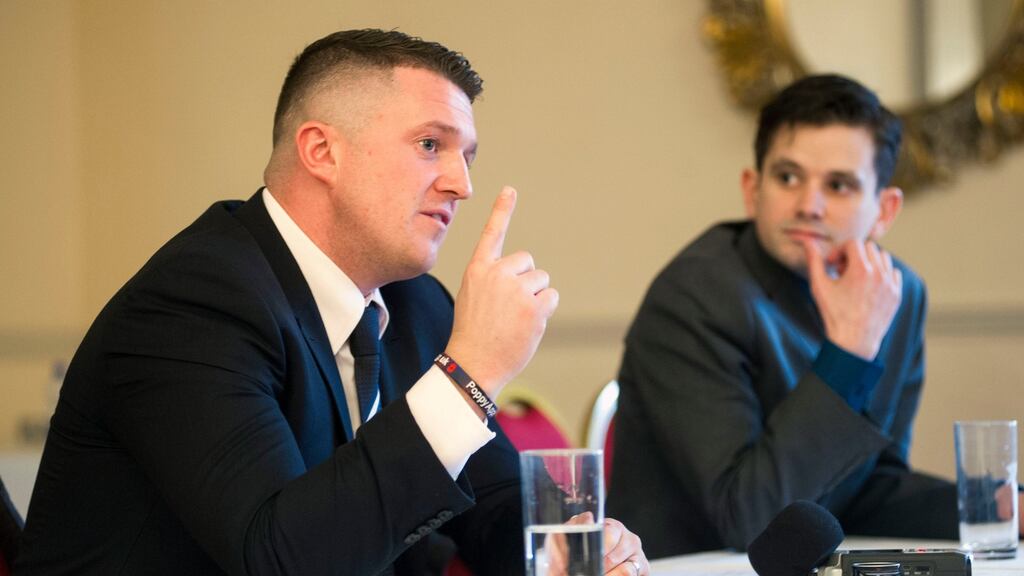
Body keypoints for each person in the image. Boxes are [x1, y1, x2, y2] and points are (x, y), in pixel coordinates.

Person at [15, 29, 648, 576]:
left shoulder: (417, 306)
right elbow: (283, 559)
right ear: (322, 151)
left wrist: (572, 549)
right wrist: (467, 378)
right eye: (431, 144)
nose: (463, 183)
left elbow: (497, 510)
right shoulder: (194, 306)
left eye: (467, 155)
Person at [607, 74, 964, 558]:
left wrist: (1001, 505)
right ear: (753, 189)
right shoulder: (694, 295)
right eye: (788, 177)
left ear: (884, 209)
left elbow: (869, 489)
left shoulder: (898, 294)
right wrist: (851, 352)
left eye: (838, 185)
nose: (808, 206)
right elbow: (749, 519)